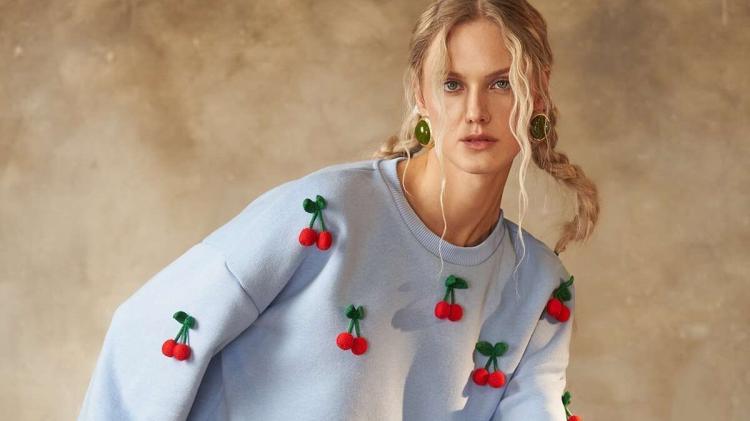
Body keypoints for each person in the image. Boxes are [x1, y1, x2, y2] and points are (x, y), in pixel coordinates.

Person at [78, 1, 599, 420]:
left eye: (502, 83)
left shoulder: (538, 287)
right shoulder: (324, 216)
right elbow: (143, 334)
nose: (475, 111)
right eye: (452, 84)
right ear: (421, 94)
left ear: (539, 92)